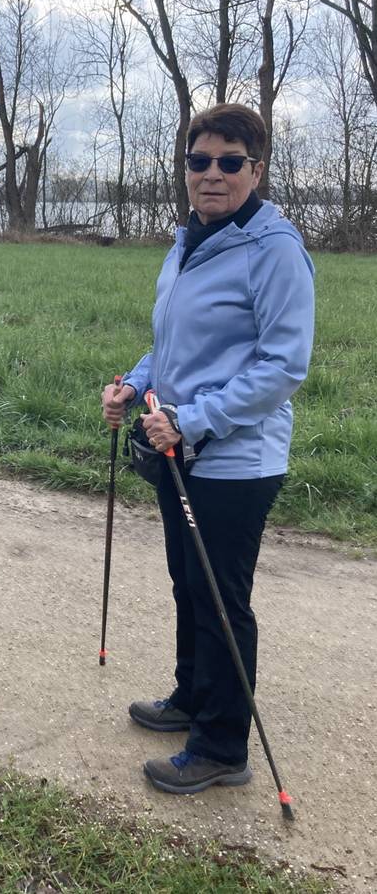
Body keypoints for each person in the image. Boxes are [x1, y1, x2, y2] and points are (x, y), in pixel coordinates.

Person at [101, 103, 315, 795]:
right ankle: (192, 698)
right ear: (186, 168)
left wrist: (191, 420)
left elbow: (283, 367)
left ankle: (222, 747)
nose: (212, 174)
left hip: (236, 459)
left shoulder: (274, 250)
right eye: (200, 161)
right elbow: (171, 347)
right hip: (178, 447)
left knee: (222, 599)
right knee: (189, 584)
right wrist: (134, 385)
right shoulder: (189, 241)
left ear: (257, 170)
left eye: (229, 162)